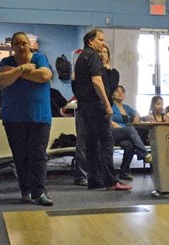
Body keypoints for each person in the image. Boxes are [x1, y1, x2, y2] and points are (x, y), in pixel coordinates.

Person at [0, 31, 54, 206]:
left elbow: (44, 76)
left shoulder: (40, 58)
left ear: (29, 45)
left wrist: (14, 74)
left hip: (40, 116)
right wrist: (22, 69)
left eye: (24, 43)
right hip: (14, 116)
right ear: (12, 47)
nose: (21, 47)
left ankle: (40, 192)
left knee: (38, 155)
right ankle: (26, 190)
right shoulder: (6, 62)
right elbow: (1, 81)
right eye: (17, 44)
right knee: (20, 156)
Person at [72, 28, 131, 191]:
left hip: (84, 107)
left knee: (91, 143)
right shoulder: (93, 56)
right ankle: (111, 181)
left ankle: (94, 180)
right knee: (106, 141)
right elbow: (97, 82)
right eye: (101, 40)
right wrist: (106, 104)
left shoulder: (81, 58)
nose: (103, 43)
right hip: (96, 106)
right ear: (91, 41)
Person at [110, 85, 152, 181]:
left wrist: (135, 120)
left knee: (129, 145)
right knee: (130, 129)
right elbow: (108, 119)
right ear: (112, 95)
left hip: (124, 134)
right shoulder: (110, 105)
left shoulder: (126, 107)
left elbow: (137, 113)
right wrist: (122, 128)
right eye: (117, 91)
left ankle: (124, 172)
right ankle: (144, 153)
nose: (120, 93)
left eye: (122, 91)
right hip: (112, 133)